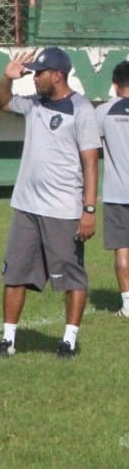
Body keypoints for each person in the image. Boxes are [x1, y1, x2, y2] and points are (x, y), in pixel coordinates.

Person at [0, 46, 100, 359]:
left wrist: (89, 210)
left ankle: (68, 340)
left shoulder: (81, 110)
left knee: (71, 276)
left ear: (58, 75)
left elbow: (91, 163)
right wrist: (6, 77)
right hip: (26, 206)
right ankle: (8, 340)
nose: (35, 78)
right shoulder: (34, 104)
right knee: (14, 274)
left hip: (64, 209)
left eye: (40, 73)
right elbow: (1, 102)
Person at [95, 60, 129, 316]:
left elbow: (88, 150)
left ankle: (128, 305)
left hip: (117, 192)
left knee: (122, 247)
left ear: (115, 85)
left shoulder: (104, 112)